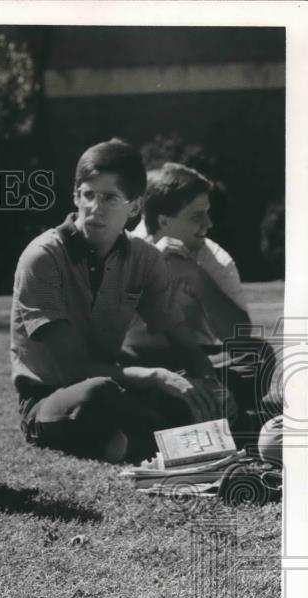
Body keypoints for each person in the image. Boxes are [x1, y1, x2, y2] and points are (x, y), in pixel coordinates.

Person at [10, 138, 237, 463]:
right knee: (98, 394)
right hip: (57, 398)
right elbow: (71, 371)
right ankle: (174, 438)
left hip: (120, 385)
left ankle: (139, 440)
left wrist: (212, 386)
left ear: (134, 207)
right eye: (87, 195)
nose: (94, 208)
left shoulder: (144, 258)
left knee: (234, 370)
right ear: (75, 196)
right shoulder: (43, 258)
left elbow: (183, 341)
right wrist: (157, 377)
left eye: (109, 198)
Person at [122, 162, 275, 416]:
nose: (209, 223)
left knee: (259, 355)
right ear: (163, 221)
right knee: (108, 371)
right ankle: (195, 403)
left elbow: (239, 336)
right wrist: (150, 273)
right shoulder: (124, 250)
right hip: (136, 360)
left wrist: (198, 278)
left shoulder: (214, 257)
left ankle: (180, 402)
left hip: (199, 363)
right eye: (197, 216)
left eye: (207, 212)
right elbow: (102, 330)